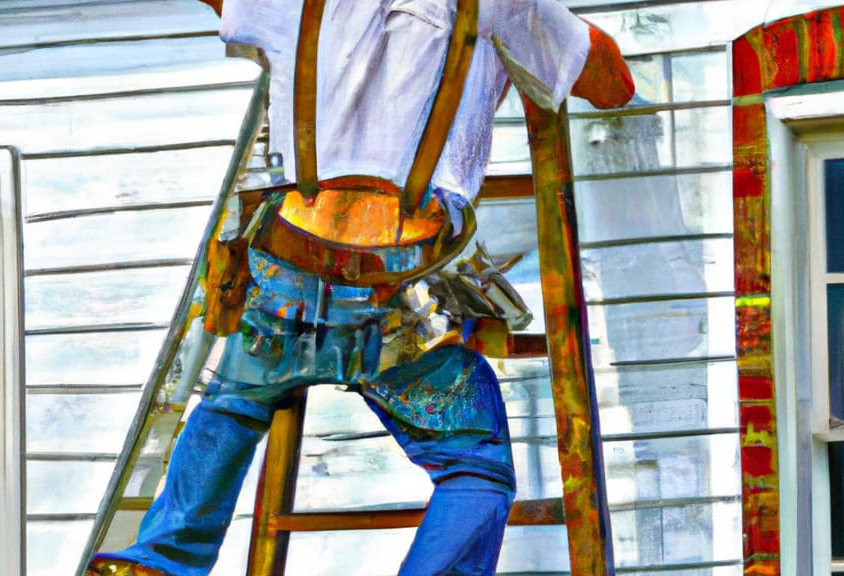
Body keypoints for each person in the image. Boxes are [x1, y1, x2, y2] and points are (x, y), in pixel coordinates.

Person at [87, 1, 632, 575]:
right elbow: (613, 85)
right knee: (477, 463)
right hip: (396, 275)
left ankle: (162, 561)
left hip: (291, 257)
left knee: (231, 403)